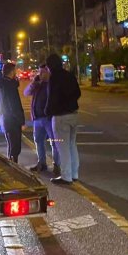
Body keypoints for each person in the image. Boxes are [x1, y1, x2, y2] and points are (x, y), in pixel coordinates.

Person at [44, 53, 81, 184]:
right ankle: (74, 173)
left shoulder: (54, 78)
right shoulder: (69, 75)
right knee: (72, 145)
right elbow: (78, 92)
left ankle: (66, 176)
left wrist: (47, 112)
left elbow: (51, 98)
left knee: (62, 147)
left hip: (60, 117)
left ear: (49, 66)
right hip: (73, 114)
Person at [23, 63, 60, 175]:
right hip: (37, 119)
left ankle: (57, 165)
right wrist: (34, 82)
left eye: (42, 72)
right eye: (39, 72)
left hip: (49, 119)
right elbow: (26, 93)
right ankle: (42, 163)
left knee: (54, 142)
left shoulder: (52, 85)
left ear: (48, 72)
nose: (40, 74)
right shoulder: (38, 84)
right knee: (38, 141)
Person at [0, 62, 25, 163]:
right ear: (12, 72)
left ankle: (11, 161)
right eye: (15, 71)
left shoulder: (1, 83)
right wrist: (21, 120)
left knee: (10, 142)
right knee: (15, 144)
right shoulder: (9, 86)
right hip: (12, 119)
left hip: (4, 116)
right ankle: (13, 164)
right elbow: (14, 104)